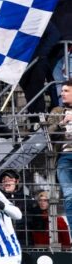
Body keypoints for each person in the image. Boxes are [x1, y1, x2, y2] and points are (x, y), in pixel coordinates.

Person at [48, 80, 72, 234]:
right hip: (64, 157)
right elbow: (47, 134)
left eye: (66, 91)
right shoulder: (57, 111)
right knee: (69, 197)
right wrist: (62, 123)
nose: (61, 93)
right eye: (62, 90)